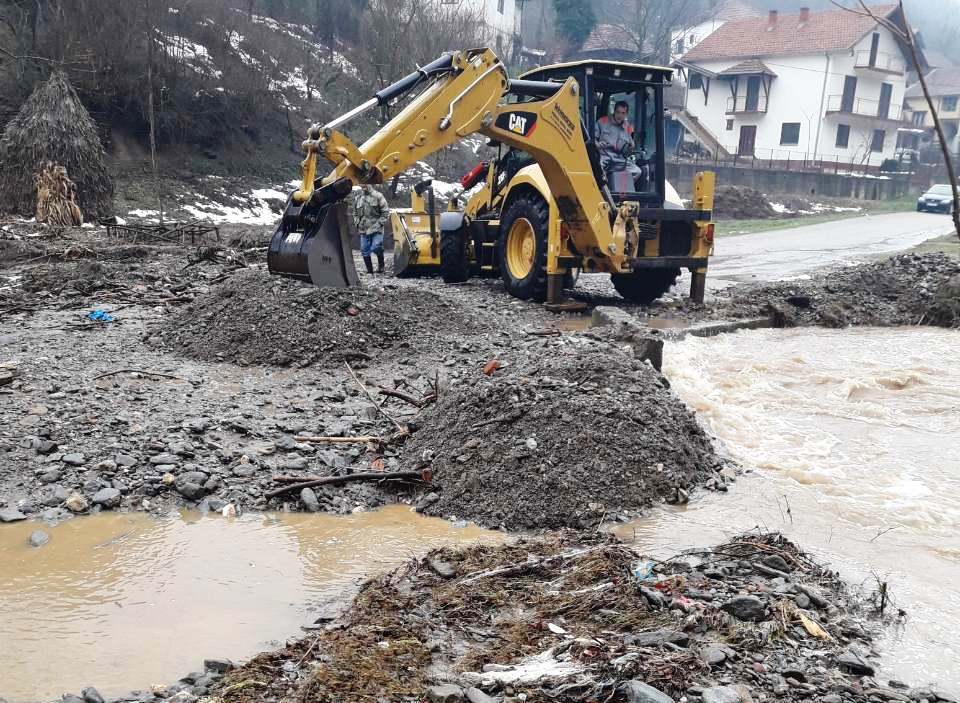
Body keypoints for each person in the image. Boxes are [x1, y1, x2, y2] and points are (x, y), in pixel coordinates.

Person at [595, 100, 643, 188]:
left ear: (626, 114)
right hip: (604, 155)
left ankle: (620, 189)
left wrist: (631, 146)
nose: (620, 115)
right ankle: (601, 192)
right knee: (597, 171)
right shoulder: (602, 121)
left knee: (637, 171)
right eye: (618, 112)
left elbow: (630, 144)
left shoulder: (628, 127)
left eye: (623, 113)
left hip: (619, 159)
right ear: (614, 111)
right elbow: (592, 139)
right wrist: (597, 144)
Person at [353, 184, 390, 274]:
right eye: (362, 184)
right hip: (363, 229)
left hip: (376, 229)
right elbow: (355, 213)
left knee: (376, 246)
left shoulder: (378, 196)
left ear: (370, 185)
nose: (364, 186)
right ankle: (370, 271)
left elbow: (385, 213)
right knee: (364, 250)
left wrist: (378, 224)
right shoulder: (358, 198)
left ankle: (381, 266)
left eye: (366, 184)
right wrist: (357, 223)